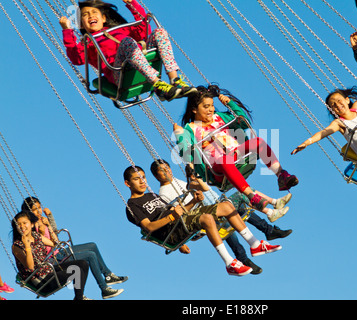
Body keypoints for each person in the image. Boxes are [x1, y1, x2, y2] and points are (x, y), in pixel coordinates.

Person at [124, 165, 282, 276]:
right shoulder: (132, 205)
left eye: (143, 178)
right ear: (127, 183)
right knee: (206, 219)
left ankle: (254, 244)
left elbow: (178, 210)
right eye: (137, 179)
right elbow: (149, 226)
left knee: (226, 206)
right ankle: (230, 263)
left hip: (181, 220)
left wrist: (194, 202)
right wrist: (173, 219)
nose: (142, 181)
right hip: (172, 230)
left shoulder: (152, 195)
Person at [174, 84, 298, 213]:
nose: (211, 109)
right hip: (218, 168)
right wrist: (179, 134)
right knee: (224, 159)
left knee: (258, 142)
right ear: (194, 109)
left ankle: (281, 176)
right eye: (206, 107)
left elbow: (243, 122)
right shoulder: (190, 129)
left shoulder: (220, 117)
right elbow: (186, 152)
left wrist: (230, 104)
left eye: (211, 105)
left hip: (237, 155)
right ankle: (251, 195)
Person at [59, 0, 196, 102]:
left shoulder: (120, 30)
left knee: (159, 32)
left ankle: (175, 79)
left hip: (141, 61)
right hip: (120, 73)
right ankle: (158, 84)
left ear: (104, 18)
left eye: (94, 12)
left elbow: (143, 30)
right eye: (85, 15)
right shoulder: (87, 42)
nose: (90, 16)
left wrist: (132, 4)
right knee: (127, 42)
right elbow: (76, 58)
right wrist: (67, 30)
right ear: (81, 24)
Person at [21, 197, 127, 299]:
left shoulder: (43, 221)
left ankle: (108, 275)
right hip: (53, 258)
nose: (38, 211)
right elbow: (43, 246)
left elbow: (55, 238)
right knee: (90, 255)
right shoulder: (33, 228)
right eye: (34, 209)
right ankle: (104, 289)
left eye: (39, 207)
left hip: (59, 252)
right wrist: (42, 231)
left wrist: (49, 220)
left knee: (92, 245)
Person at [11, 211, 90, 300]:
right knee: (76, 270)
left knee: (83, 264)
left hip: (49, 271)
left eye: (24, 223)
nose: (22, 226)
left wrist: (48, 226)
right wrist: (27, 246)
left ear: (32, 224)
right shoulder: (17, 246)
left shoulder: (36, 236)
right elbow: (30, 267)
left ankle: (78, 297)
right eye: (18, 225)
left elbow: (54, 243)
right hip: (41, 280)